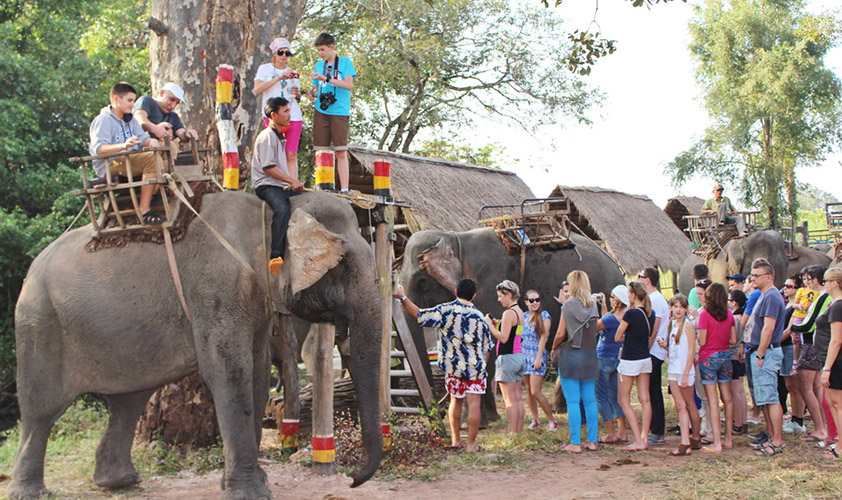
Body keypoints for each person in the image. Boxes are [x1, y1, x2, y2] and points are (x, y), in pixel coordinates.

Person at [394, 278, 493, 453]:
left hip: (454, 367)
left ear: (456, 292)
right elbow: (487, 348)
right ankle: (471, 444)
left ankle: (455, 440)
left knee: (455, 400)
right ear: (474, 296)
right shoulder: (480, 317)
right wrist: (481, 364)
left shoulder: (446, 311)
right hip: (475, 367)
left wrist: (402, 297)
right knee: (474, 403)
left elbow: (420, 316)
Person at [89, 82, 163, 224]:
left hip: (130, 160)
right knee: (150, 159)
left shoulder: (131, 120)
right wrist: (123, 146)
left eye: (134, 101)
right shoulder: (103, 120)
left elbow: (143, 138)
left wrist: (151, 142)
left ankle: (152, 195)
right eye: (129, 100)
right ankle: (144, 210)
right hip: (111, 164)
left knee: (163, 152)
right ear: (116, 99)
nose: (133, 105)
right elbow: (99, 148)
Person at [250, 97, 305, 274]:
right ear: (274, 115)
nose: (289, 115)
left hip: (278, 184)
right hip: (266, 184)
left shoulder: (278, 136)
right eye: (286, 112)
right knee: (282, 208)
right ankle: (276, 254)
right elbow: (269, 168)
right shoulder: (267, 136)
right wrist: (292, 180)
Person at [550, 271, 600, 453]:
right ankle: (592, 441)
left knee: (572, 401)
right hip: (589, 356)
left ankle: (575, 442)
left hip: (571, 356)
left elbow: (561, 333)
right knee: (590, 400)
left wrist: (554, 347)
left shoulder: (568, 306)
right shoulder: (593, 305)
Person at [747, 258, 787, 457]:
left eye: (756, 275)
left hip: (767, 351)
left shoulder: (771, 297)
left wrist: (761, 353)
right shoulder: (765, 296)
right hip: (764, 351)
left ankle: (777, 440)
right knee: (766, 398)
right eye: (752, 275)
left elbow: (768, 328)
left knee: (771, 398)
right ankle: (772, 436)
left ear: (768, 277)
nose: (752, 278)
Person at [309, 32, 356, 193]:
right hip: (321, 110)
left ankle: (344, 188)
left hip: (340, 111)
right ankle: (322, 186)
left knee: (341, 150)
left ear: (332, 47)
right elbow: (315, 87)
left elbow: (349, 85)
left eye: (323, 50)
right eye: (319, 51)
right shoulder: (318, 66)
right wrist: (311, 94)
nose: (321, 53)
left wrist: (327, 78)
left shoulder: (345, 63)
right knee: (321, 150)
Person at [614, 281, 656, 451]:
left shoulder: (631, 314)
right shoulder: (649, 313)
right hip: (645, 358)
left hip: (630, 359)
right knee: (644, 398)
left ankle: (638, 439)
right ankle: (644, 437)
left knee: (623, 399)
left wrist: (627, 338)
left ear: (632, 295)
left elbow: (618, 336)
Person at [792, 265, 831, 442]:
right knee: (816, 388)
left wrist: (791, 328)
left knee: (806, 387)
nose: (806, 283)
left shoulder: (823, 298)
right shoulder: (822, 298)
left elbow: (809, 324)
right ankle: (824, 426)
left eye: (807, 279)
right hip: (815, 344)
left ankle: (820, 428)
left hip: (811, 344)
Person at [658, 294, 700, 456]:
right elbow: (675, 349)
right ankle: (686, 440)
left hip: (684, 370)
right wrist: (664, 346)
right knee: (680, 405)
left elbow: (691, 351)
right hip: (673, 369)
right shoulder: (671, 325)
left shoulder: (688, 326)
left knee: (689, 404)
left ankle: (693, 438)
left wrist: (686, 373)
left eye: (681, 307)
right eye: (675, 307)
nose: (678, 310)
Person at [254, 37, 303, 176]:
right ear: (274, 53)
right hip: (273, 116)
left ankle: (293, 182)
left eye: (287, 53)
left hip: (293, 115)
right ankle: (275, 183)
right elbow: (258, 89)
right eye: (281, 52)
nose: (284, 56)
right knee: (273, 152)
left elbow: (296, 97)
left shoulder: (292, 73)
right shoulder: (265, 69)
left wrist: (298, 95)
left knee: (291, 153)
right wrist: (279, 78)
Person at [697, 283, 737, 452]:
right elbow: (734, 340)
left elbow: (702, 341)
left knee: (712, 401)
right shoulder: (729, 314)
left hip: (708, 358)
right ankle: (728, 438)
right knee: (727, 399)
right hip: (725, 356)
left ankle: (716, 441)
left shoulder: (705, 315)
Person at [485, 280, 525, 435]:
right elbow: (516, 333)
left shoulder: (508, 313)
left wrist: (489, 325)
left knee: (509, 400)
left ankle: (512, 432)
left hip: (507, 358)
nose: (498, 300)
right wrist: (498, 323)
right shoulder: (519, 311)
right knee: (517, 398)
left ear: (509, 294)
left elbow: (503, 338)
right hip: (518, 356)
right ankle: (518, 431)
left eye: (500, 296)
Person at [638, 268, 669, 446]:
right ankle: (656, 429)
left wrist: (646, 347)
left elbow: (654, 328)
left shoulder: (655, 300)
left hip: (654, 351)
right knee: (652, 390)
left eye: (640, 277)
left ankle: (657, 430)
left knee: (654, 391)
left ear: (647, 280)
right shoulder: (656, 299)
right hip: (654, 350)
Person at [595, 285, 629, 444]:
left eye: (612, 297)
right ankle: (622, 431)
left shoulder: (609, 319)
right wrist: (604, 309)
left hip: (603, 357)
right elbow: (609, 325)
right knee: (615, 396)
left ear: (618, 300)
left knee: (601, 396)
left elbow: (595, 327)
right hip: (618, 358)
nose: (610, 298)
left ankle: (611, 432)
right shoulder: (626, 317)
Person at [522, 289, 558, 431]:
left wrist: (538, 358)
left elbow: (543, 337)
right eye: (531, 300)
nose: (535, 303)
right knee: (529, 390)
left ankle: (551, 420)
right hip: (524, 355)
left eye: (537, 300)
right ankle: (535, 419)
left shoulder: (544, 316)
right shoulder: (524, 316)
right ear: (526, 302)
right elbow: (519, 334)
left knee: (536, 391)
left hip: (537, 355)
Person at [818, 267, 842, 459]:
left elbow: (836, 339)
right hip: (832, 359)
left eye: (825, 281)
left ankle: (841, 447)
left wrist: (827, 368)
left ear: (835, 283)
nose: (823, 284)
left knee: (838, 403)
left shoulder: (837, 306)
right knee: (831, 402)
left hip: (836, 361)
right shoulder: (834, 304)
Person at [781, 275, 807, 434]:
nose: (785, 288)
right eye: (785, 285)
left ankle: (798, 419)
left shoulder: (797, 306)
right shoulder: (786, 304)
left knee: (795, 385)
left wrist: (773, 341)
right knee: (789, 385)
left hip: (790, 346)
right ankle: (794, 416)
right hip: (783, 346)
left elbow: (790, 329)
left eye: (790, 286)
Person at [134, 82, 198, 144]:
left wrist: (187, 134)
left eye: (177, 103)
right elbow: (139, 118)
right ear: (162, 93)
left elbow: (181, 133)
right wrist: (155, 129)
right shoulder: (147, 101)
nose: (173, 106)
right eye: (171, 99)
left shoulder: (173, 116)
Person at [728, 289, 749, 435]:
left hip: (733, 356)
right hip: (740, 356)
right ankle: (742, 421)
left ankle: (738, 423)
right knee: (740, 390)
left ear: (734, 303)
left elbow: (732, 340)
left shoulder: (735, 319)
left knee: (735, 391)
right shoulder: (742, 317)